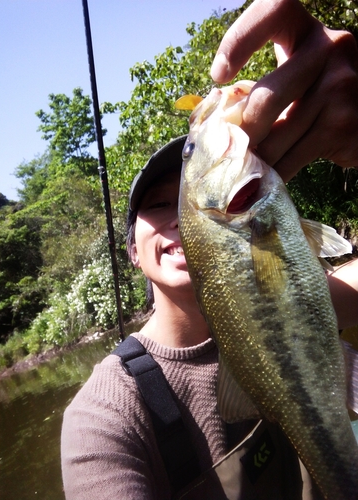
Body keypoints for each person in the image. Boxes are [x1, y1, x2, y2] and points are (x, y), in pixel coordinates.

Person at [61, 0, 358, 498]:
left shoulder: (285, 297)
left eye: (182, 193)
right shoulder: (106, 416)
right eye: (157, 206)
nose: (177, 215)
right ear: (133, 252)